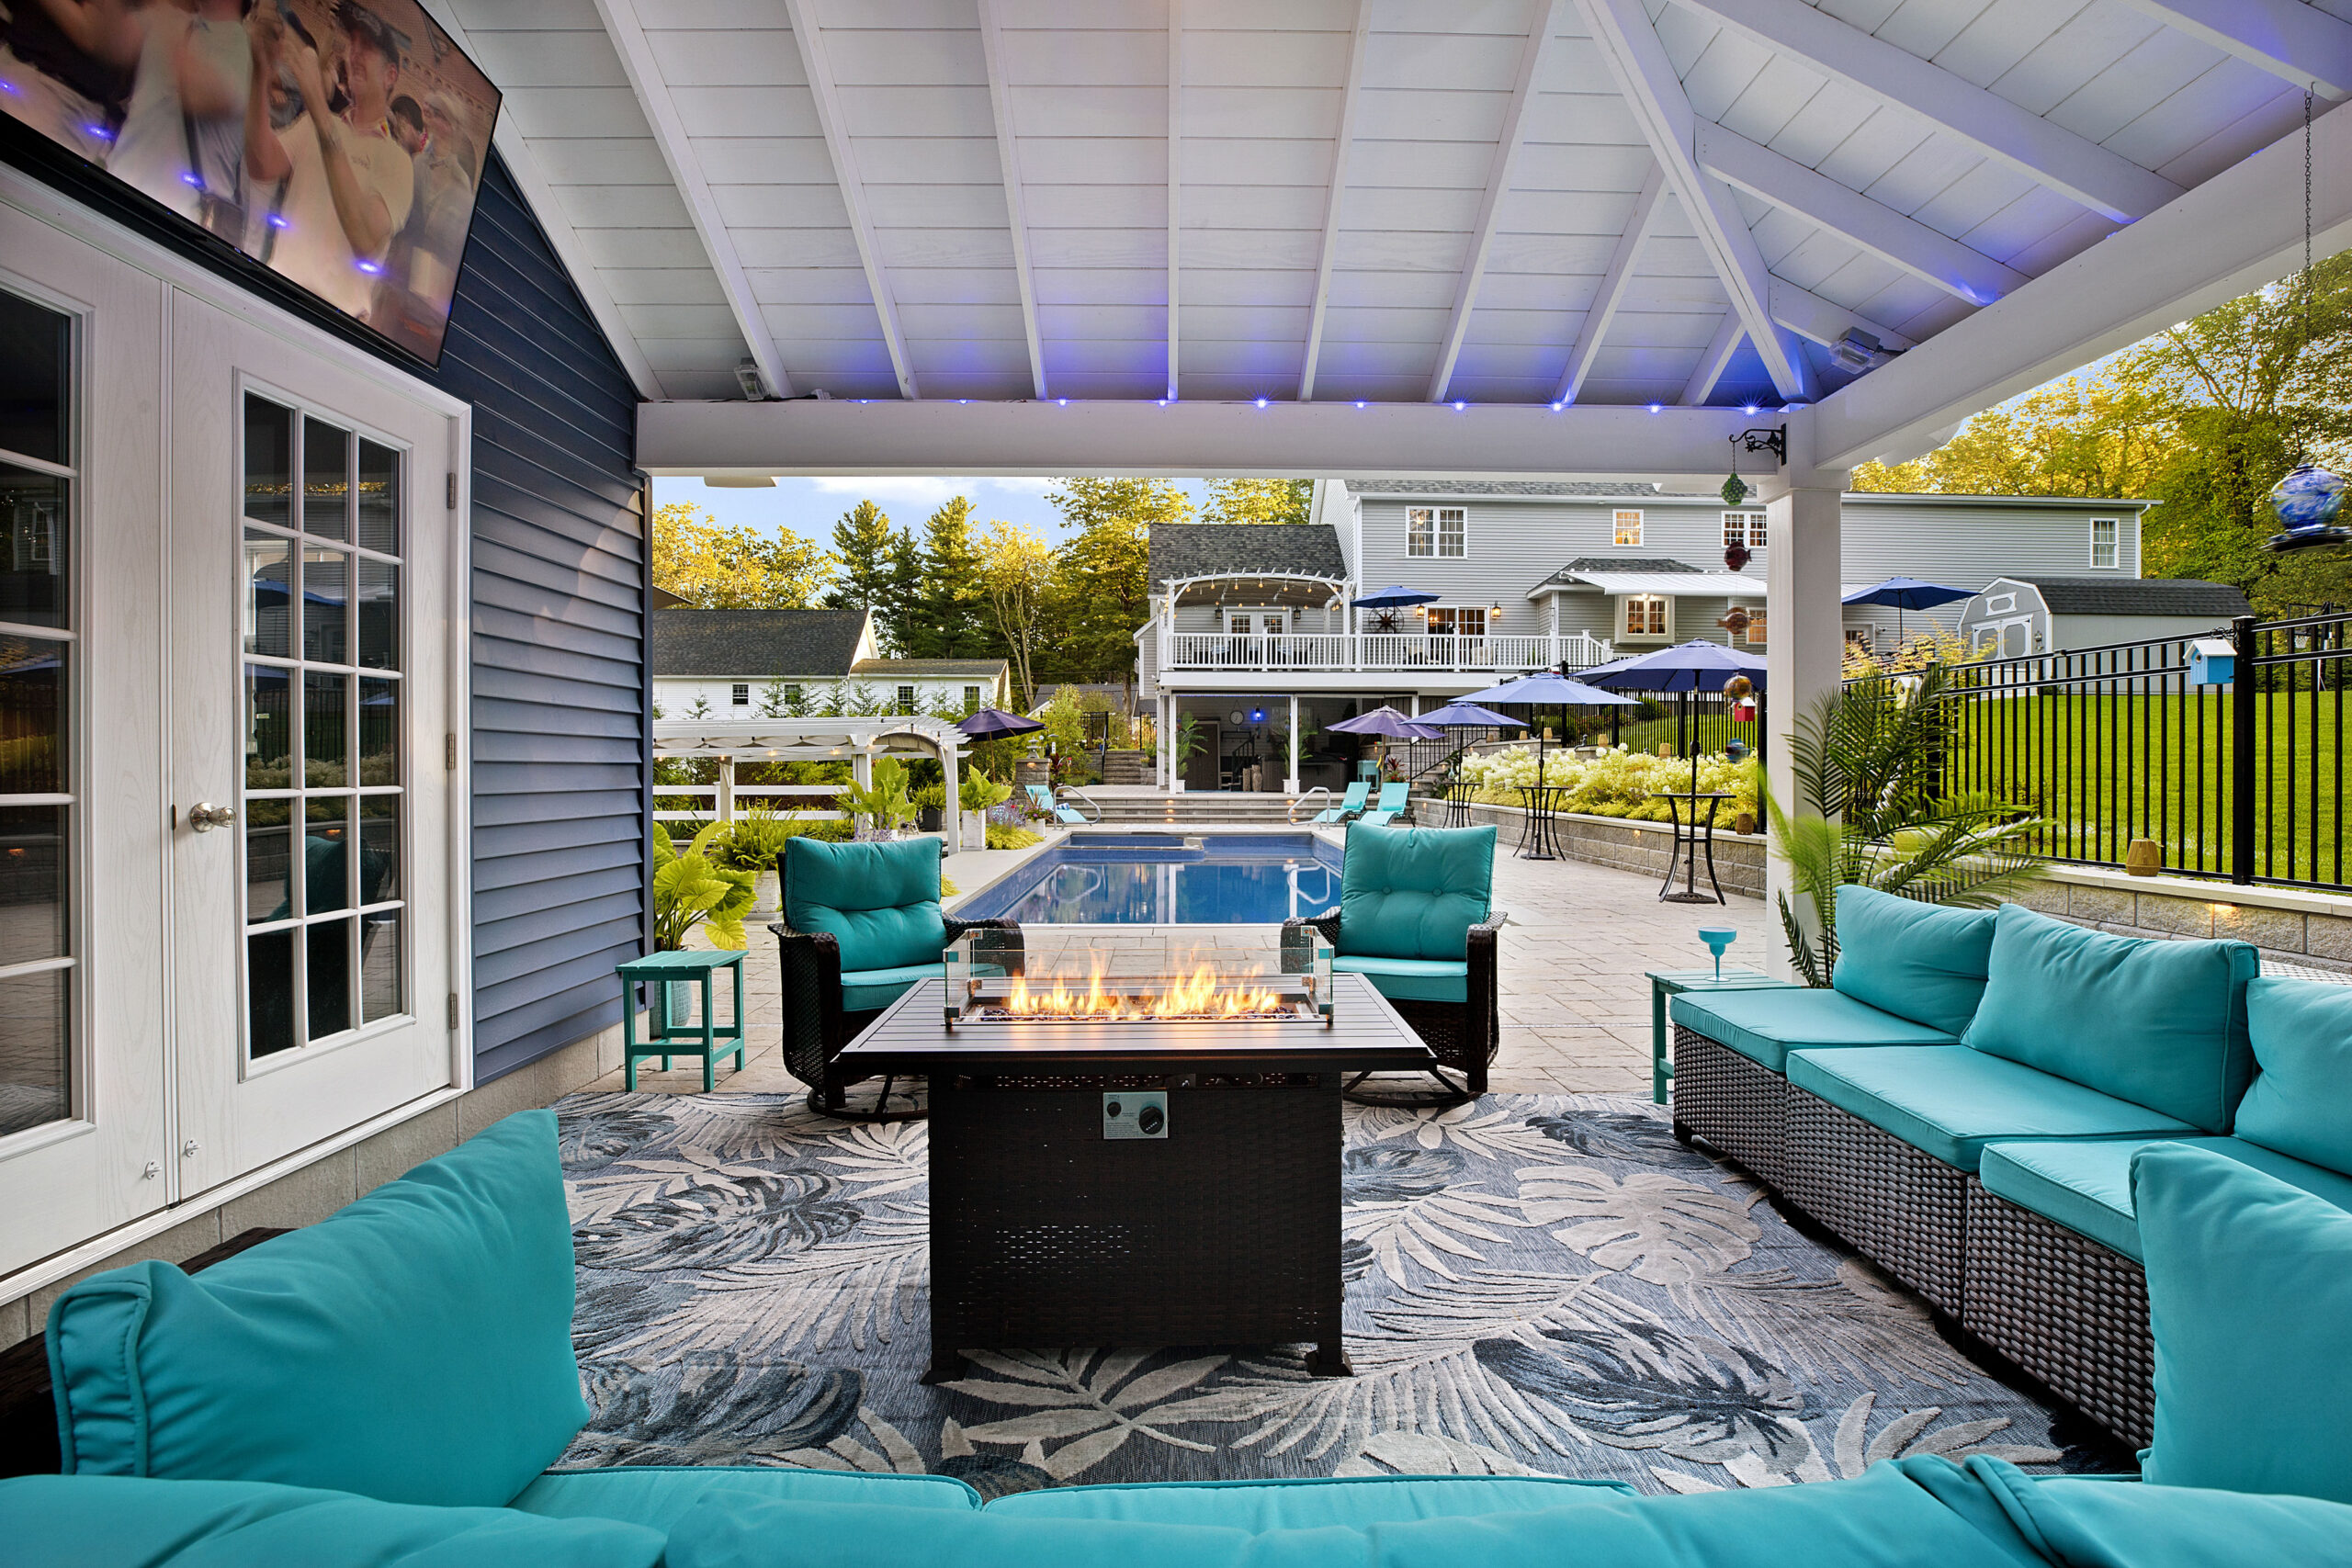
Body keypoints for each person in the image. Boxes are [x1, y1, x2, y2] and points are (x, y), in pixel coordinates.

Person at [242, 0, 411, 318]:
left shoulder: (397, 161)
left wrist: (318, 107)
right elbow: (261, 164)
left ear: (391, 75)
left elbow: (364, 237)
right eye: (353, 44)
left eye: (368, 48)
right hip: (275, 295)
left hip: (334, 322)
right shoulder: (318, 124)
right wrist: (259, 73)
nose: (354, 53)